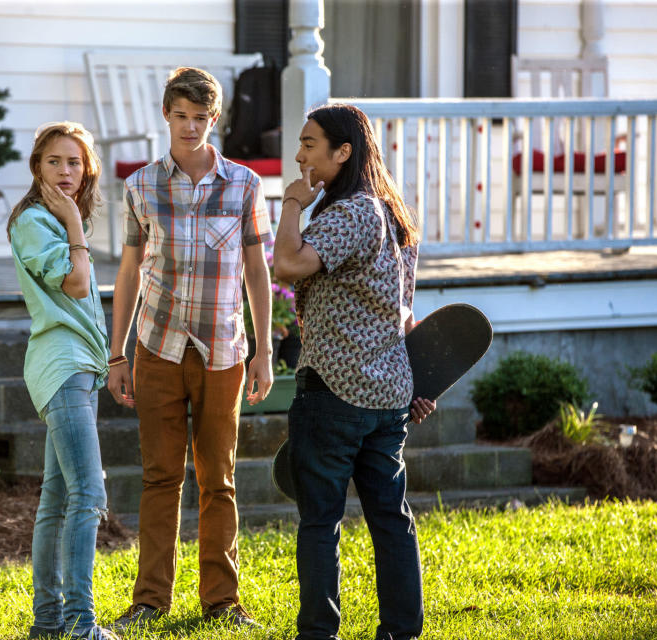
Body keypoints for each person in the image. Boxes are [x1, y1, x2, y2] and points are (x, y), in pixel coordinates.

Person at [107, 67, 274, 629]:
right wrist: (119, 352)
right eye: (180, 115)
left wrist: (264, 351)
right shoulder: (140, 187)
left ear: (214, 119)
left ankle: (222, 601)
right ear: (166, 115)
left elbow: (257, 270)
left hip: (223, 350)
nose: (189, 126)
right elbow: (129, 272)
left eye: (200, 118)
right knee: (159, 477)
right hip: (156, 347)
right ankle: (150, 600)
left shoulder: (245, 185)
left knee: (218, 478)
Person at [272, 103, 437, 640]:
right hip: (388, 396)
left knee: (320, 522)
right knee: (391, 519)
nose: (299, 156)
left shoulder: (351, 214)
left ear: (344, 152)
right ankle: (401, 631)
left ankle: (318, 633)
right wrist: (416, 382)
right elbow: (402, 310)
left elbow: (288, 264)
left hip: (334, 395)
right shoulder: (392, 216)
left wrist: (292, 205)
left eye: (310, 145)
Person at [7, 122, 118, 640]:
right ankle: (80, 623)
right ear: (37, 167)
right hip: (62, 367)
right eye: (54, 161)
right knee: (89, 495)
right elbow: (75, 285)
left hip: (80, 368)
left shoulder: (53, 222)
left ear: (87, 168)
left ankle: (48, 623)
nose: (65, 171)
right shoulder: (35, 221)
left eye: (74, 162)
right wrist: (74, 225)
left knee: (56, 499)